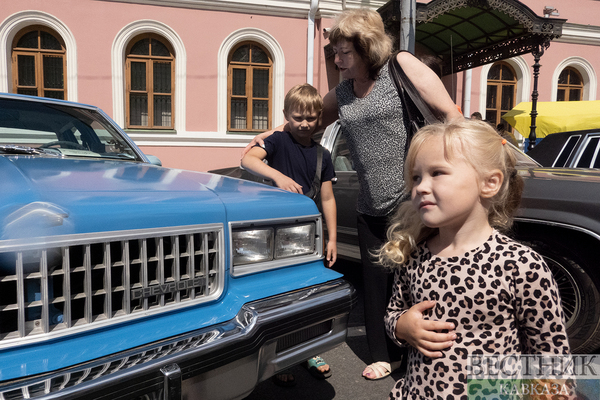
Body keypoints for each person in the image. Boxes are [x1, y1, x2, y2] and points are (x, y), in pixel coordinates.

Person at [243, 8, 462, 381]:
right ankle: (382, 354)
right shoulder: (344, 92)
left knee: (418, 282)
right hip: (369, 205)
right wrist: (270, 136)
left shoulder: (400, 66)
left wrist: (455, 171)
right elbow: (308, 119)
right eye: (335, 52)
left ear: (368, 48)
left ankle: (425, 355)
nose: (337, 60)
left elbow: (450, 114)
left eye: (344, 52)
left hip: (412, 204)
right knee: (375, 286)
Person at [378, 119, 570, 399]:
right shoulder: (415, 255)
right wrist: (402, 326)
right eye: (416, 177)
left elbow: (551, 358)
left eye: (437, 173)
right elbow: (394, 311)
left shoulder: (519, 265)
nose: (420, 187)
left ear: (489, 183)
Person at [241, 83, 336, 386]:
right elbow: (248, 159)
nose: (304, 124)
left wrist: (332, 238)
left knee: (309, 295)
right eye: (298, 117)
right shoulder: (278, 141)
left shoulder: (322, 155)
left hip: (308, 236)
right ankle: (281, 355)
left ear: (319, 119)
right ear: (286, 115)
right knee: (280, 297)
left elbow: (328, 198)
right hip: (277, 237)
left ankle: (309, 350)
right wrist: (279, 176)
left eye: (310, 118)